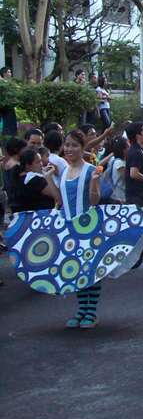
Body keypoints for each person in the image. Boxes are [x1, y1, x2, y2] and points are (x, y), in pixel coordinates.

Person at [60, 129, 104, 328]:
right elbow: (59, 200)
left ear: (82, 147)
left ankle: (91, 312)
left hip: (88, 227)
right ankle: (81, 310)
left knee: (90, 269)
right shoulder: (63, 170)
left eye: (74, 145)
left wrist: (94, 182)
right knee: (76, 270)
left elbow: (94, 200)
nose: (69, 149)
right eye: (67, 145)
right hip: (68, 227)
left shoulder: (90, 169)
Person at [10, 147, 59, 212]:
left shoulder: (20, 178)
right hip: (41, 218)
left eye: (41, 161)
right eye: (38, 162)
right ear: (28, 165)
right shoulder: (35, 180)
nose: (41, 164)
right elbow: (58, 197)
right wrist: (49, 176)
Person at [0, 66, 18, 137]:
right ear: (4, 74)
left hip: (10, 107)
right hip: (4, 108)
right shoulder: (2, 83)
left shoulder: (10, 83)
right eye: (9, 72)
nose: (10, 73)